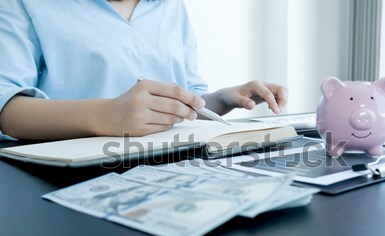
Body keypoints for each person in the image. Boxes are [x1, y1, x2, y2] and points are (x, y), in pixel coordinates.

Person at [0, 0, 288, 141]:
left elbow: (184, 103)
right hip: (66, 179)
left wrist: (223, 99)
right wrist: (104, 116)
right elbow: (6, 109)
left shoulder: (171, 6)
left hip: (170, 166)